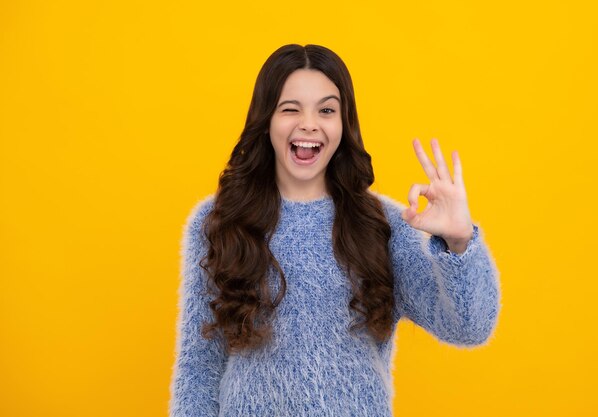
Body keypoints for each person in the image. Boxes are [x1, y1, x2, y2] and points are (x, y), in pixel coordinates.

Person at [168, 44, 501, 417]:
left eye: (326, 110)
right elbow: (199, 368)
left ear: (343, 125)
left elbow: (469, 328)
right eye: (290, 109)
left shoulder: (382, 225)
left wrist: (459, 242)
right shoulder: (219, 223)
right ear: (266, 121)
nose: (309, 123)